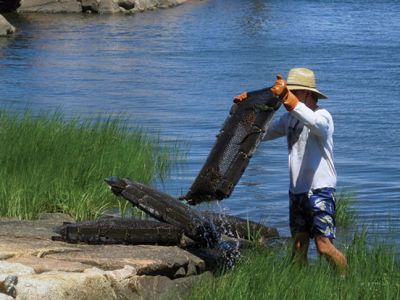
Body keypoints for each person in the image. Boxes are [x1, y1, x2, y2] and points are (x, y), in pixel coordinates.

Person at [234, 68, 348, 273]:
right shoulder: (289, 120)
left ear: (307, 93)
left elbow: (313, 123)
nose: (290, 96)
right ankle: (300, 286)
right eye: (290, 91)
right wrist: (246, 110)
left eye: (295, 91)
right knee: (298, 247)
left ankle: (346, 281)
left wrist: (287, 97)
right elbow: (262, 133)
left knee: (323, 246)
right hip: (297, 193)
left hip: (320, 190)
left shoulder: (323, 116)